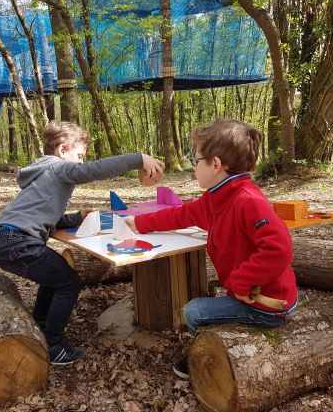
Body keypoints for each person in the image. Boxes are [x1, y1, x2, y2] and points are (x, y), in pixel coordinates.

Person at [124, 118, 298, 379]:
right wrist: (138, 223)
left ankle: (202, 356)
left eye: (196, 161)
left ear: (215, 164)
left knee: (194, 311)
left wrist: (240, 283)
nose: (193, 167)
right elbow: (181, 215)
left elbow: (279, 250)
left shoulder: (247, 201)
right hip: (248, 294)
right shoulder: (216, 198)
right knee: (205, 301)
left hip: (268, 305)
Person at [0, 121, 164, 365]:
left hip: (6, 239)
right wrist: (138, 159)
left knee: (57, 273)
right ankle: (54, 345)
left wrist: (74, 218)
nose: (81, 162)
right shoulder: (59, 168)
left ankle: (40, 321)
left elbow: (41, 216)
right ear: (62, 150)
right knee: (69, 282)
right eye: (79, 156)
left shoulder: (42, 172)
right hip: (17, 241)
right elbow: (93, 171)